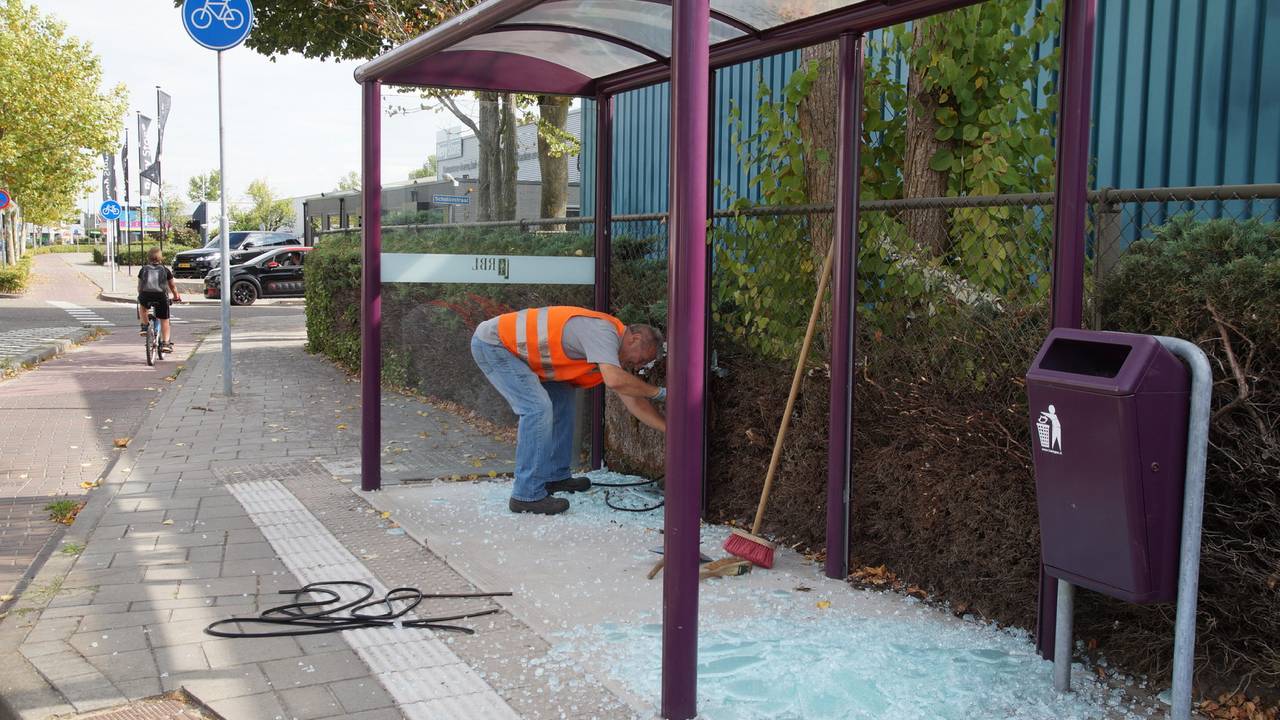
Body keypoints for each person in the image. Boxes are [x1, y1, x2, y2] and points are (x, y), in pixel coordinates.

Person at [472, 306, 667, 515]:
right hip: (495, 344)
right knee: (537, 409)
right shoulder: (604, 332)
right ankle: (525, 495)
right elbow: (615, 380)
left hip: (524, 356)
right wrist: (660, 393)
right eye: (643, 359)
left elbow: (633, 400)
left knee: (563, 401)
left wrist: (668, 428)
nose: (639, 366)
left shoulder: (609, 352)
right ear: (635, 339)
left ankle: (555, 476)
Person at [137, 247, 181, 351]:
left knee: (143, 308)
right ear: (161, 258)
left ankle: (145, 326)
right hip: (161, 296)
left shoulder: (143, 269)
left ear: (148, 258)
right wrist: (176, 297)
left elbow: (139, 286)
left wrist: (141, 295)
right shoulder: (165, 270)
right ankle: (166, 343)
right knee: (165, 320)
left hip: (145, 295)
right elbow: (172, 286)